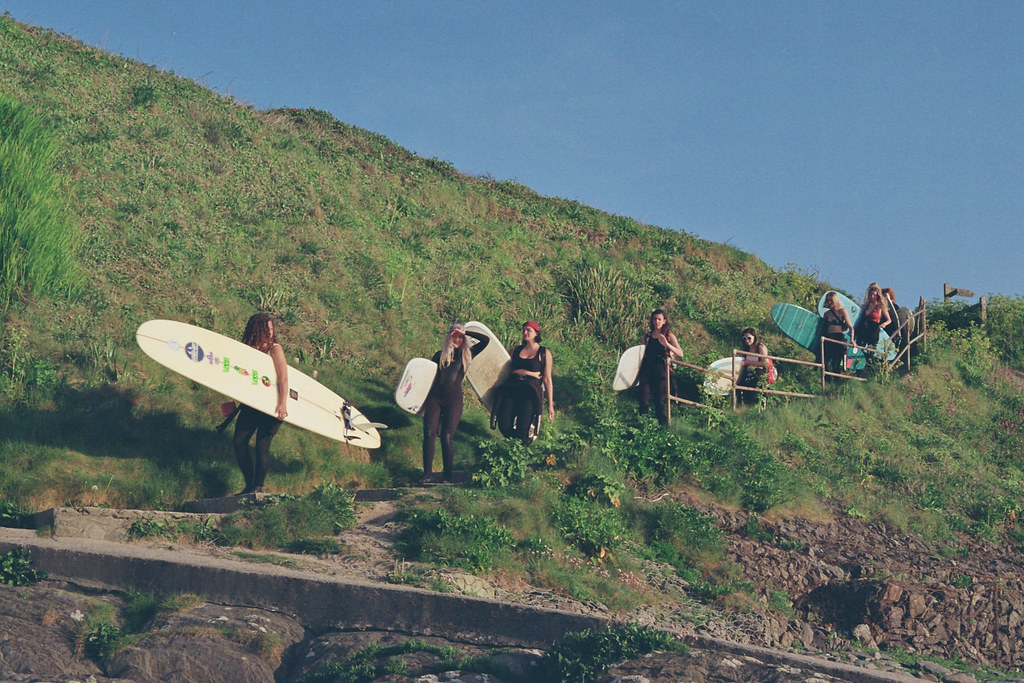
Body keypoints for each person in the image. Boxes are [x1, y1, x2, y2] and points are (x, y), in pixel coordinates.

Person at [421, 323, 489, 483]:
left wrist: (466, 331)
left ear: (464, 339)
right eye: (454, 336)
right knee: (429, 434)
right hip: (435, 399)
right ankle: (427, 475)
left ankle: (448, 477)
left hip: (454, 401)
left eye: (460, 337)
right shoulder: (439, 355)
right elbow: (428, 377)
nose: (457, 339)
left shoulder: (466, 354)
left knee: (447, 436)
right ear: (449, 337)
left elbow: (485, 341)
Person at [233, 313, 288, 495]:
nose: (271, 333)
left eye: (272, 329)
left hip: (272, 405)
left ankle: (257, 487)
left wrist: (282, 404)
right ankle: (249, 484)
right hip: (253, 403)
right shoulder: (249, 350)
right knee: (239, 441)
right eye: (267, 329)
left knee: (262, 446)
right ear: (257, 330)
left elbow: (283, 378)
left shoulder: (275, 349)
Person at [493, 321, 555, 444]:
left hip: (530, 394)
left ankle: (522, 445)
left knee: (523, 430)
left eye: (528, 330)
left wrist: (550, 405)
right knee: (504, 425)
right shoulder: (516, 350)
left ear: (536, 333)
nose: (525, 332)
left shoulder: (544, 353)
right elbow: (506, 371)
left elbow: (547, 379)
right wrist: (529, 373)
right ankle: (514, 445)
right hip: (512, 390)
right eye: (524, 330)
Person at [637, 309, 684, 425]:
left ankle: (663, 428)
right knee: (644, 399)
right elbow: (640, 352)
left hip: (661, 371)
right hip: (647, 370)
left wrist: (667, 344)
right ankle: (642, 427)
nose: (656, 321)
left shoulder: (669, 335)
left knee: (660, 401)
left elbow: (680, 353)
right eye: (654, 319)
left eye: (659, 319)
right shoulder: (648, 336)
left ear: (664, 321)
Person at [736, 327, 772, 406]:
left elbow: (766, 363)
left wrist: (748, 362)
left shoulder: (760, 347)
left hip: (759, 373)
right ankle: (740, 406)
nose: (746, 341)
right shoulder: (745, 349)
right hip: (748, 372)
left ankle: (760, 404)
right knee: (739, 384)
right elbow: (741, 362)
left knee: (756, 383)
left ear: (754, 337)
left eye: (749, 338)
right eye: (744, 338)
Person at [822, 291, 854, 374]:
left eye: (831, 300)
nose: (829, 302)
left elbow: (850, 327)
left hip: (838, 338)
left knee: (836, 363)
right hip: (828, 338)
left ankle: (837, 378)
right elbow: (823, 328)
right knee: (825, 362)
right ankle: (826, 378)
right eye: (828, 300)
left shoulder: (842, 311)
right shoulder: (826, 314)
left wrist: (852, 340)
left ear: (835, 300)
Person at [855, 283, 891, 350]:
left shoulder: (880, 306)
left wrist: (884, 324)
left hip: (874, 328)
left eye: (874, 295)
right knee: (860, 344)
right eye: (871, 295)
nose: (872, 296)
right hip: (864, 327)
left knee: (871, 347)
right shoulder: (865, 306)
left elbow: (889, 320)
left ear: (877, 296)